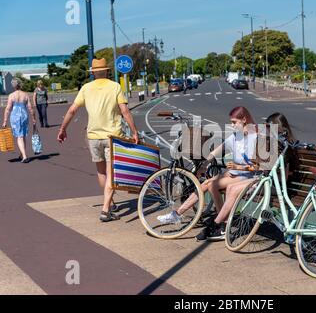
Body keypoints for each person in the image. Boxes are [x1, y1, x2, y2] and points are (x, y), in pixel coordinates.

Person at [157, 106, 259, 240]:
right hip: (234, 174)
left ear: (244, 120)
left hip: (246, 176)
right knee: (206, 183)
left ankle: (221, 224)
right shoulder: (236, 136)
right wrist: (204, 165)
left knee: (211, 184)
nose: (232, 125)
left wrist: (238, 167)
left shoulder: (255, 137)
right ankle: (178, 213)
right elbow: (218, 149)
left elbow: (257, 166)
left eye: (234, 122)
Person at [57, 58, 139, 223]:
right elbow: (125, 111)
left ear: (93, 72)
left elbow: (72, 110)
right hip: (112, 137)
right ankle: (105, 210)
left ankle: (110, 203)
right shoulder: (115, 86)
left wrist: (62, 129)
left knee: (101, 172)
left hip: (93, 136)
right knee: (111, 173)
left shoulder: (86, 88)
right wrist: (134, 131)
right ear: (107, 71)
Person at [2, 78, 37, 163]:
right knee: (23, 135)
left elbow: (8, 109)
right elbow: (30, 108)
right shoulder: (25, 95)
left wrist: (5, 121)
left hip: (15, 116)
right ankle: (22, 154)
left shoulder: (11, 95)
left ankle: (24, 156)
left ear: (13, 86)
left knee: (19, 136)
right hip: (24, 115)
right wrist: (33, 118)